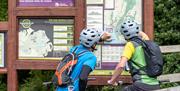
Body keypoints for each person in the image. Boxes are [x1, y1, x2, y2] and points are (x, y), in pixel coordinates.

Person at [107, 20, 160, 91]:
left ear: (125, 35)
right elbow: (143, 34)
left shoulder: (130, 45)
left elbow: (121, 66)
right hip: (155, 85)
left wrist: (112, 81)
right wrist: (136, 30)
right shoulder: (146, 42)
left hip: (141, 85)